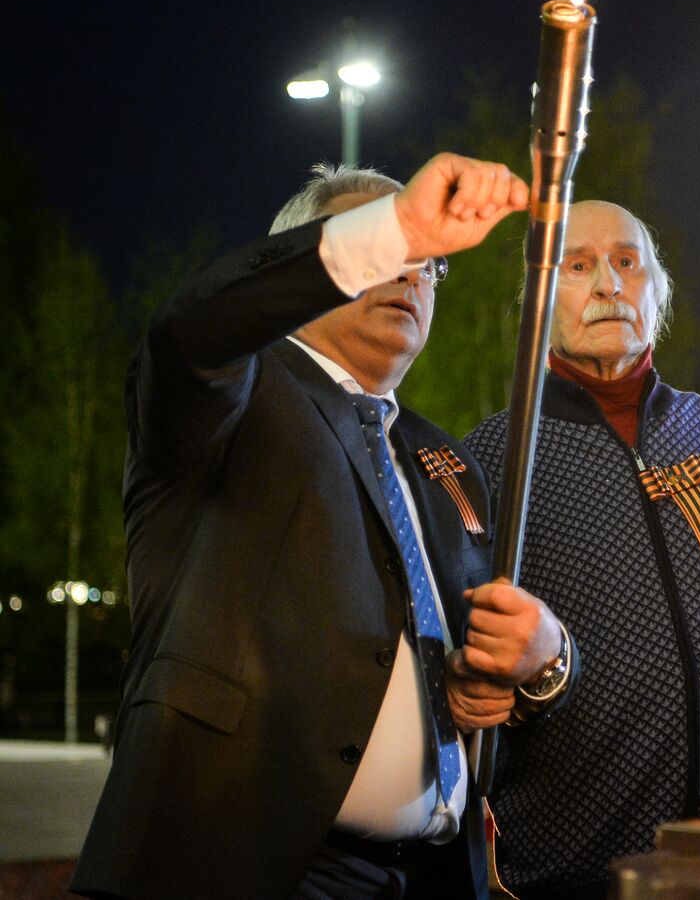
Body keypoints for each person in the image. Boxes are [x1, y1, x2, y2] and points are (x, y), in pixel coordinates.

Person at [72, 154, 575, 900]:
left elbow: (486, 665)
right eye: (391, 252)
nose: (411, 270)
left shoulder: (446, 463)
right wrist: (396, 227)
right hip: (245, 867)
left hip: (431, 874)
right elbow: (195, 330)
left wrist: (541, 663)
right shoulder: (229, 399)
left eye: (428, 263)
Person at [464, 200, 700, 898]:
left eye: (627, 263)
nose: (609, 285)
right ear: (539, 301)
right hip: (575, 869)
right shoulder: (492, 463)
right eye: (579, 266)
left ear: (656, 292)